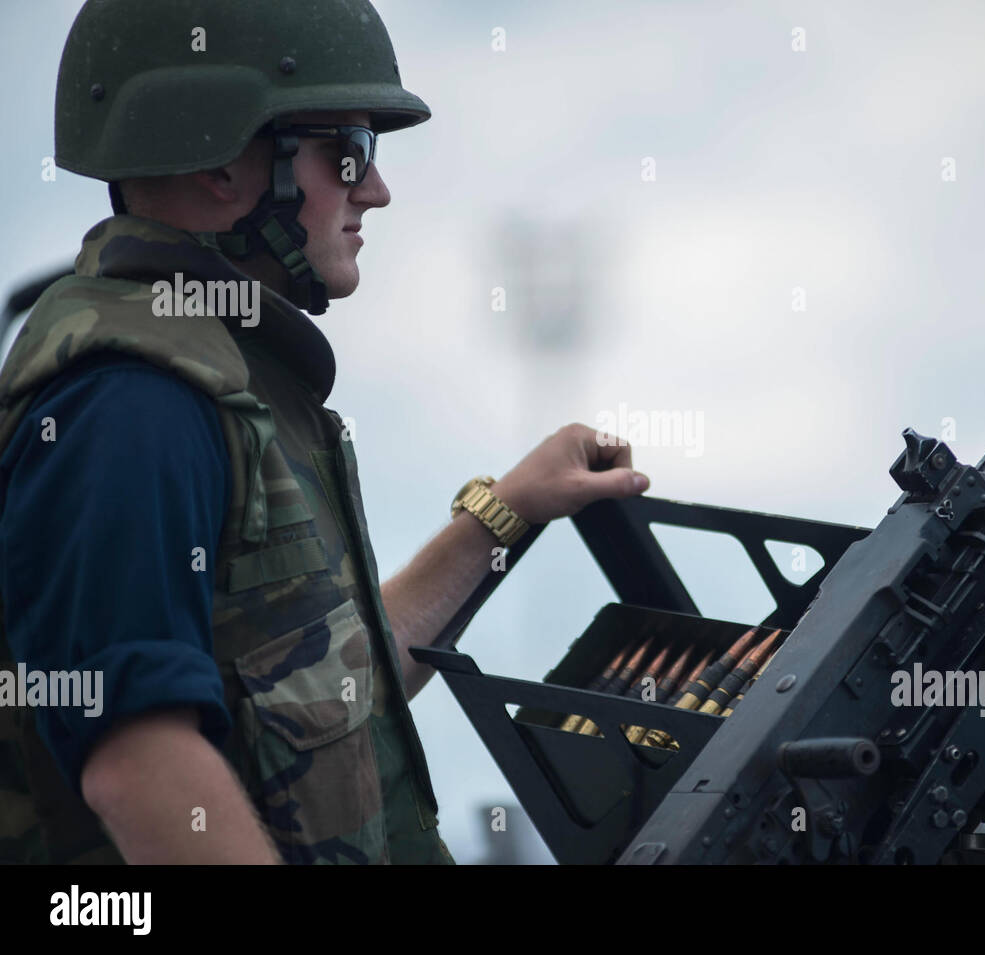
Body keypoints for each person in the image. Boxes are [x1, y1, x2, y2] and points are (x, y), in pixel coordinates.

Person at [0, 0, 649, 864]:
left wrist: (509, 510)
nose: (374, 190)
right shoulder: (131, 408)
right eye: (348, 152)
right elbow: (142, 767)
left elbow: (328, 691)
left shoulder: (218, 376)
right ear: (224, 164)